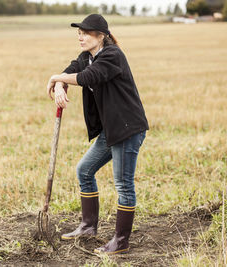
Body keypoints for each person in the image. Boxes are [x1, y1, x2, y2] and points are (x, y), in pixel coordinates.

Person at [46, 14, 149, 254]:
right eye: (79, 33)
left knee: (123, 185)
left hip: (126, 129)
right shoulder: (87, 57)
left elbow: (86, 78)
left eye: (86, 32)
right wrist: (61, 83)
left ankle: (121, 241)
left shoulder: (113, 56)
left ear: (101, 35)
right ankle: (88, 226)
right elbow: (72, 70)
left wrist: (56, 78)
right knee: (84, 170)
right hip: (110, 130)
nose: (80, 37)